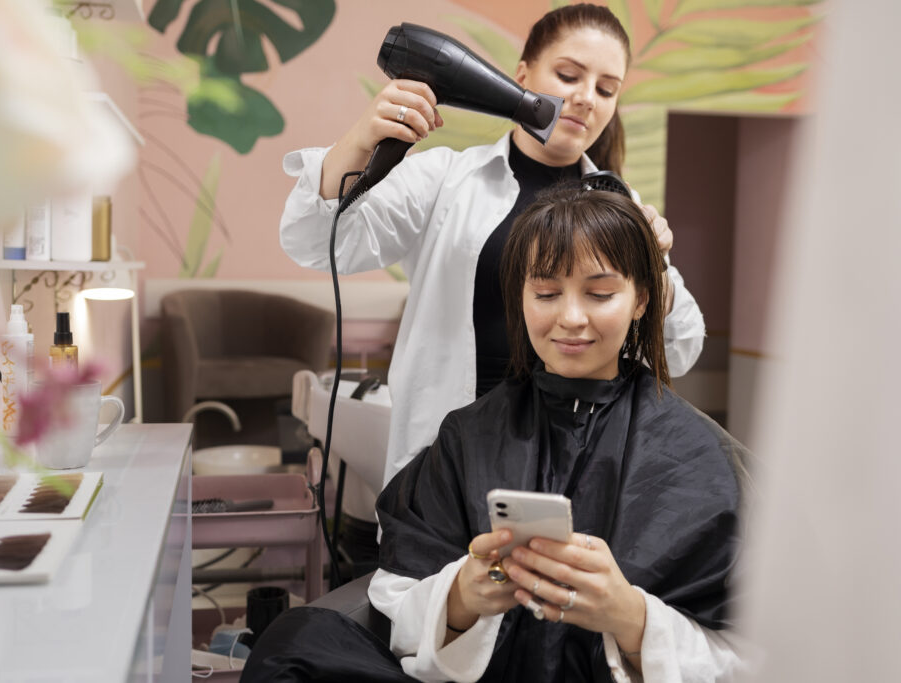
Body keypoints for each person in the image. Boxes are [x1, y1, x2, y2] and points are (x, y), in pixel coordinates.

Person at [243, 185, 747, 683]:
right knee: (293, 645)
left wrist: (631, 618)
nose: (571, 318)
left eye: (599, 293)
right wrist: (462, 596)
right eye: (547, 293)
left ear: (641, 299)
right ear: (521, 299)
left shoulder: (701, 458)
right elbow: (397, 596)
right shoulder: (468, 436)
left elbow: (757, 653)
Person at [279, 5, 706, 486]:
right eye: (568, 75)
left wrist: (656, 269)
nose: (586, 99)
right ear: (523, 73)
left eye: (606, 89)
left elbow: (681, 347)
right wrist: (360, 140)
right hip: (447, 457)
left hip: (571, 463)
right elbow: (316, 242)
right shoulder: (447, 181)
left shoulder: (621, 208)